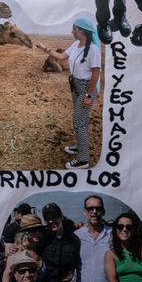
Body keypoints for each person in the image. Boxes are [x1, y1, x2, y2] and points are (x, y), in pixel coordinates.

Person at [43, 18, 101, 171]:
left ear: (82, 31)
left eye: (74, 29)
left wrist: (89, 96)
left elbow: (96, 73)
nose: (72, 31)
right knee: (80, 120)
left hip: (87, 89)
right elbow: (62, 57)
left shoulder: (93, 49)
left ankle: (83, 159)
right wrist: (47, 50)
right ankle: (79, 146)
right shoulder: (76, 45)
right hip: (75, 87)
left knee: (79, 123)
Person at [104, 212, 142, 282]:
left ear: (133, 230)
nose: (124, 229)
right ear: (116, 230)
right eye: (120, 227)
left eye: (129, 227)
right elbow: (112, 279)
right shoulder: (110, 255)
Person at [74, 196, 113, 282]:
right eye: (90, 208)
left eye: (98, 208)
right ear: (85, 212)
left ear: (103, 211)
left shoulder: (113, 235)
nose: (94, 211)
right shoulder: (76, 236)